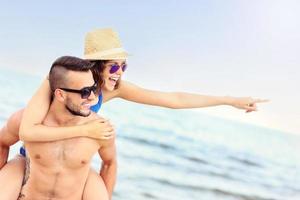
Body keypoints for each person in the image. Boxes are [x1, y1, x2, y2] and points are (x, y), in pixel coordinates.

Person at [0, 28, 268, 199]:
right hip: (37, 155)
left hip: (74, 158)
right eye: (114, 67)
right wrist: (85, 130)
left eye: (123, 66)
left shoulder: (112, 88)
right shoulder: (61, 81)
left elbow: (172, 99)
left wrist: (229, 100)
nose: (120, 74)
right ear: (97, 65)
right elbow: (27, 130)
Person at [1, 56, 117, 200]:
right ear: (60, 94)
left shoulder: (100, 129)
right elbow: (2, 142)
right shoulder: (25, 121)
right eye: (85, 92)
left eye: (94, 88)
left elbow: (109, 163)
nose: (93, 97)